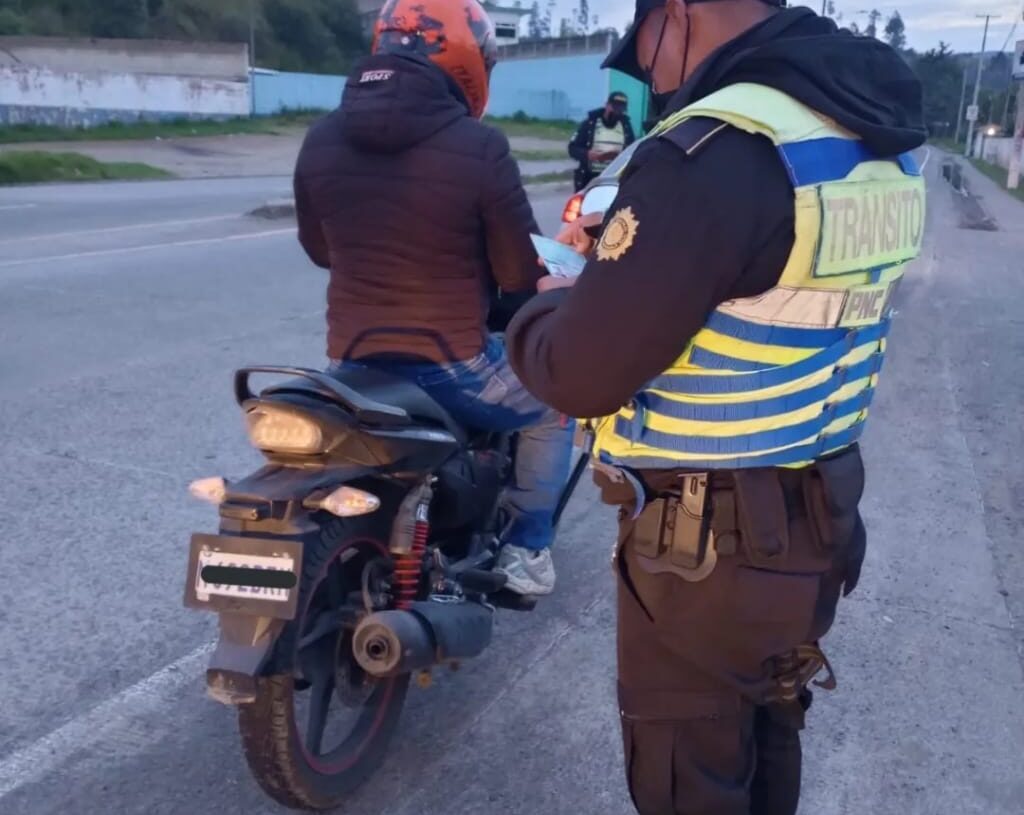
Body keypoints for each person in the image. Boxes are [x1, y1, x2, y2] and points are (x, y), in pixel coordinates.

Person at [506, 0, 926, 812]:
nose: (649, 72)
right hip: (816, 521)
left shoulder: (716, 149)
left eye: (644, 48)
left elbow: (579, 373)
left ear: (679, 12)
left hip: (705, 552)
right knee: (767, 741)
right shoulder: (870, 137)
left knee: (689, 780)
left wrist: (552, 300)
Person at [292, 0, 573, 596]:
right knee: (555, 402)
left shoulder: (320, 139)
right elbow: (517, 272)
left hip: (351, 363)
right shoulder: (479, 146)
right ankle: (526, 551)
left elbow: (321, 251)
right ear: (469, 59)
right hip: (451, 367)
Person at [568, 91, 637, 191]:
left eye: (621, 109)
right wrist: (587, 154)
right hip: (589, 177)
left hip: (614, 179)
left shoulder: (625, 126)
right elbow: (572, 148)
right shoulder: (590, 124)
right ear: (607, 105)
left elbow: (632, 151)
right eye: (615, 107)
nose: (617, 112)